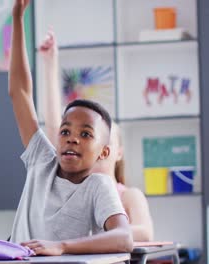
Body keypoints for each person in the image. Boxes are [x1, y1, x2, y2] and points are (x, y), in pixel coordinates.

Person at [8, 0, 133, 256]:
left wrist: (61, 246)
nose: (72, 139)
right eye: (65, 131)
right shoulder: (42, 160)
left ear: (104, 153)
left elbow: (124, 239)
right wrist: (18, 21)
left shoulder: (98, 186)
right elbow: (20, 93)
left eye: (85, 134)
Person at [39, 30, 154, 242]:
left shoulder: (128, 195)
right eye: (77, 136)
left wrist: (98, 234)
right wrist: (49, 63)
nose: (79, 141)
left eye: (90, 136)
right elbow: (54, 126)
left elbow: (145, 233)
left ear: (113, 152)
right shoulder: (78, 192)